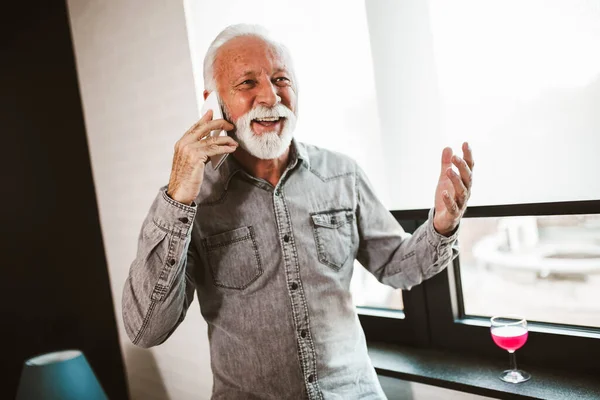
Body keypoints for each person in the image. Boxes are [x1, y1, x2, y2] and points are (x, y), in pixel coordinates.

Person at [122, 24, 474, 400]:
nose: (270, 95)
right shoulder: (195, 200)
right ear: (212, 102)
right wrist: (178, 196)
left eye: (280, 79)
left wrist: (442, 224)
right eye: (247, 83)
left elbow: (396, 267)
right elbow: (147, 329)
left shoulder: (342, 174)